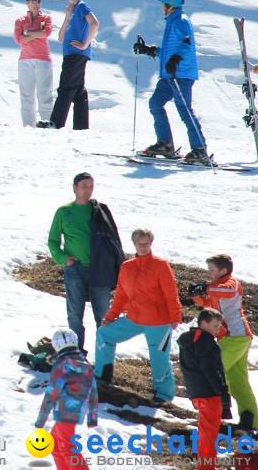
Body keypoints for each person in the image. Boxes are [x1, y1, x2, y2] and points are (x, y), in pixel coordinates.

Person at [94, 228, 181, 403]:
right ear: (134, 243)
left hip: (158, 320)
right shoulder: (127, 266)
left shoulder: (160, 264)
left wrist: (175, 316)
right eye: (139, 243)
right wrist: (110, 317)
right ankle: (102, 378)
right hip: (134, 318)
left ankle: (163, 395)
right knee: (104, 334)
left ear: (151, 244)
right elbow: (122, 295)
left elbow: (171, 292)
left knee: (158, 357)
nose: (143, 246)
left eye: (146, 243)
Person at [47, 172, 124, 351]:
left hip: (100, 270)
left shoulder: (100, 211)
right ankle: (76, 354)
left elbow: (112, 239)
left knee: (103, 316)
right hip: (75, 269)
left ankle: (103, 355)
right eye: (84, 186)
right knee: (74, 315)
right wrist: (63, 259)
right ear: (75, 188)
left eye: (91, 186)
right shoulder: (64, 211)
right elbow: (53, 241)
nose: (88, 190)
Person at [133, 0, 210, 164]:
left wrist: (175, 60)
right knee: (155, 103)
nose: (162, 7)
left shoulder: (181, 21)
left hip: (181, 75)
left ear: (170, 5)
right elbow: (169, 52)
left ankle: (200, 150)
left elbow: (186, 43)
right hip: (170, 75)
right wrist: (149, 50)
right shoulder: (173, 21)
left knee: (184, 110)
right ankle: (165, 143)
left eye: (163, 4)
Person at [189, 254, 255, 431]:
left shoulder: (230, 283)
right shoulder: (217, 287)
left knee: (211, 373)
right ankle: (251, 419)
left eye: (212, 270)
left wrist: (207, 287)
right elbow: (210, 305)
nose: (209, 273)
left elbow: (226, 291)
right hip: (235, 338)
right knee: (236, 380)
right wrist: (197, 296)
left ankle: (214, 417)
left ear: (223, 270)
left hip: (235, 337)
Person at [34, 328, 98, 470]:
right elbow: (93, 390)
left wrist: (41, 420)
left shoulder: (61, 366)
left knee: (66, 447)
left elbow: (51, 394)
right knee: (56, 443)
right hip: (78, 410)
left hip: (65, 413)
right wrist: (92, 416)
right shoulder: (85, 363)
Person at [178, 309, 231, 468]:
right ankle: (206, 466)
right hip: (209, 393)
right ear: (203, 323)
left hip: (195, 392)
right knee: (209, 431)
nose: (217, 330)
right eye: (215, 326)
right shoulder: (207, 343)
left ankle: (200, 457)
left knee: (204, 427)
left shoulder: (187, 341)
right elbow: (211, 370)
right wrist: (222, 391)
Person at [42, 0, 98, 130]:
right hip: (72, 53)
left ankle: (55, 123)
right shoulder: (73, 10)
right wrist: (67, 15)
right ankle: (81, 127)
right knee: (78, 92)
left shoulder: (81, 6)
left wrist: (85, 44)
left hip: (75, 54)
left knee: (65, 87)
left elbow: (95, 23)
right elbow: (61, 37)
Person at [14, 0, 54, 127]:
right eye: (34, 0)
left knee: (45, 94)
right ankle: (28, 127)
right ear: (27, 2)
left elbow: (46, 33)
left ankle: (47, 124)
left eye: (39, 0)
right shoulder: (20, 20)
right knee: (26, 95)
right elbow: (18, 39)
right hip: (25, 60)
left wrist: (27, 33)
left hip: (43, 59)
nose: (37, 3)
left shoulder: (46, 18)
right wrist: (37, 33)